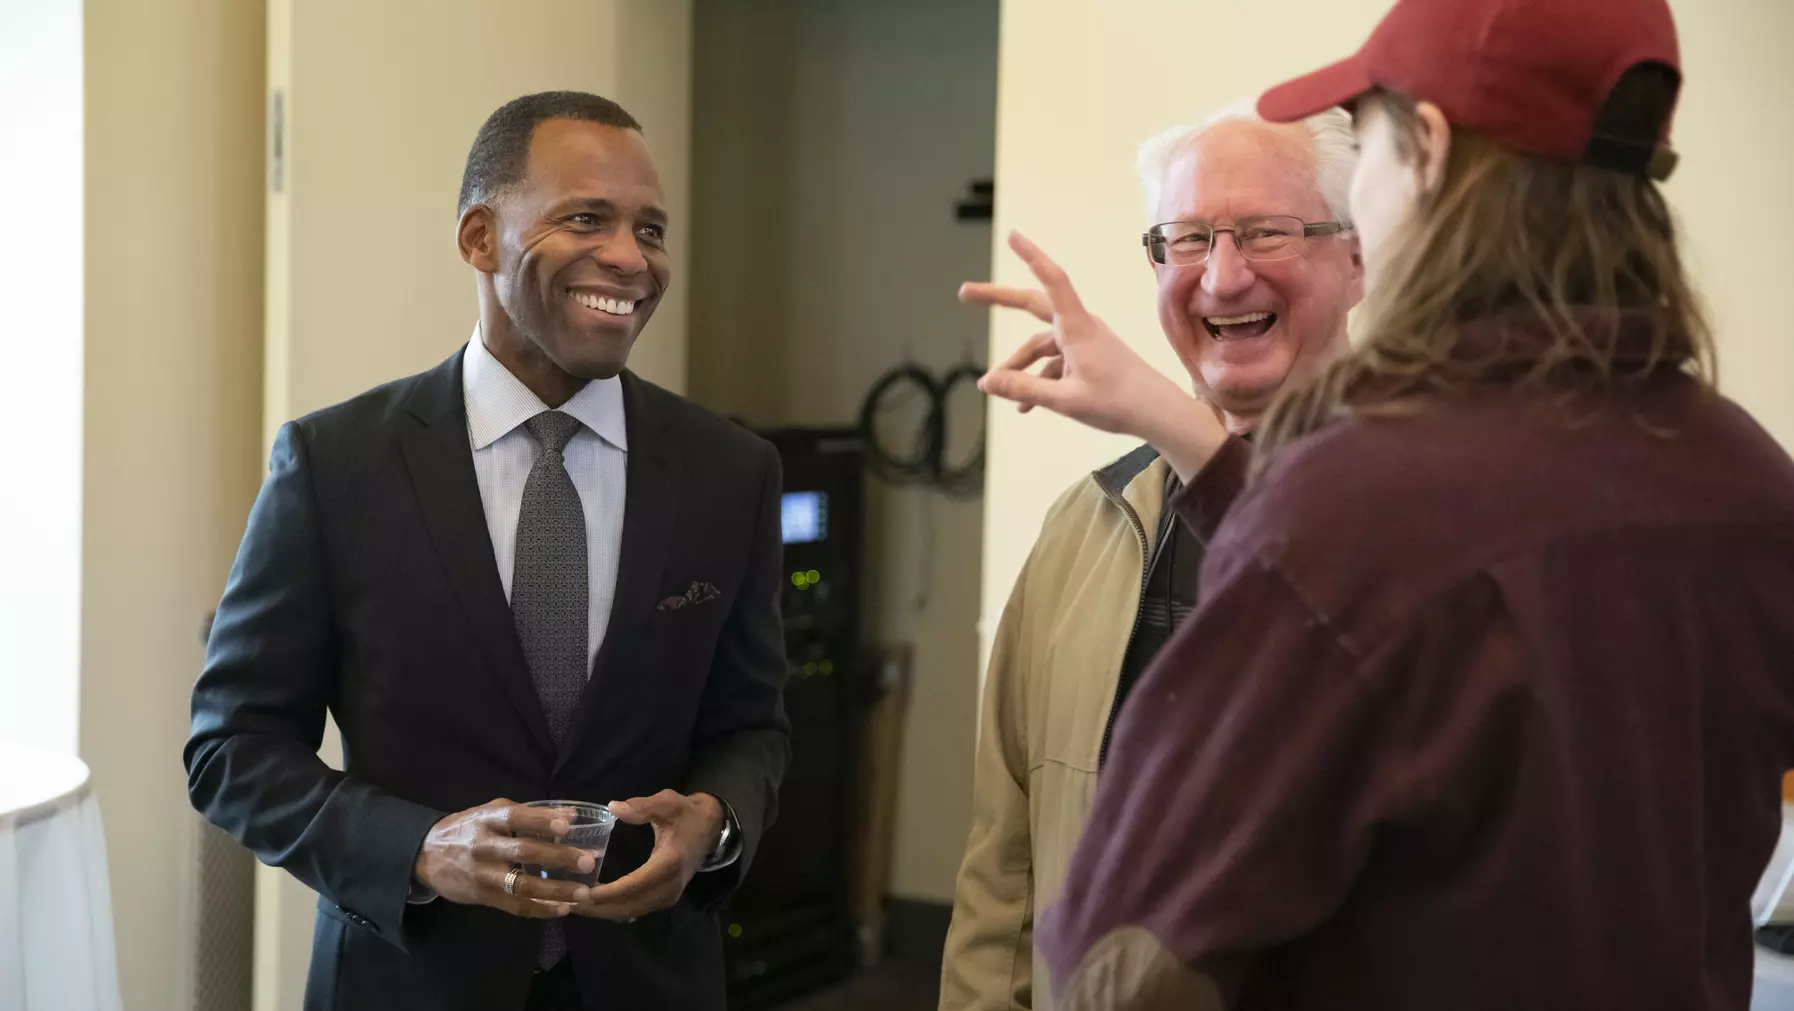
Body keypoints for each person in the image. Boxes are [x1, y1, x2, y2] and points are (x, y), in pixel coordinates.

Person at [970, 0, 1794, 1008]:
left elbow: (1120, 965)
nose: (1223, 271)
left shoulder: (1360, 514)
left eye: (1367, 155)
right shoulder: (1749, 484)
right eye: (1184, 238)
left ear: (1429, 153)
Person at [185, 91, 790, 1011]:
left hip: (651, 982)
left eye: (651, 229)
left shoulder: (730, 472)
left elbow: (751, 725)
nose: (631, 258)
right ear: (479, 237)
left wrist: (715, 822)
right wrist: (419, 849)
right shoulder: (334, 464)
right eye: (587, 217)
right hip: (407, 980)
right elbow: (232, 746)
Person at [939, 106, 1363, 1011]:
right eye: (1187, 239)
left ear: (1355, 258)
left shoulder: (1425, 516)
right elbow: (1001, 868)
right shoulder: (1086, 524)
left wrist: (1164, 417)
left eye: (1265, 233)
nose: (1222, 273)